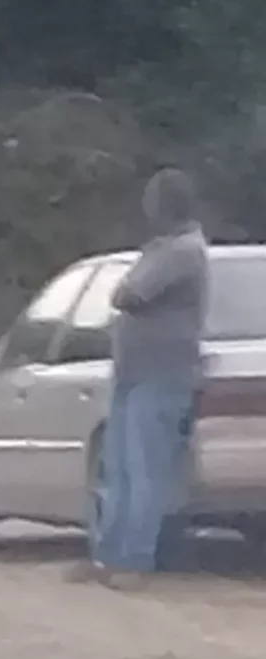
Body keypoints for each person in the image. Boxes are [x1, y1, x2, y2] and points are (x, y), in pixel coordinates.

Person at [83, 168, 210, 588]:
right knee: (117, 469)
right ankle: (107, 557)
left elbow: (129, 295)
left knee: (144, 471)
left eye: (154, 199)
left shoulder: (183, 251)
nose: (147, 206)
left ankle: (135, 561)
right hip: (133, 371)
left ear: (168, 203)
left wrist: (127, 286)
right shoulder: (163, 248)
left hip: (162, 374)